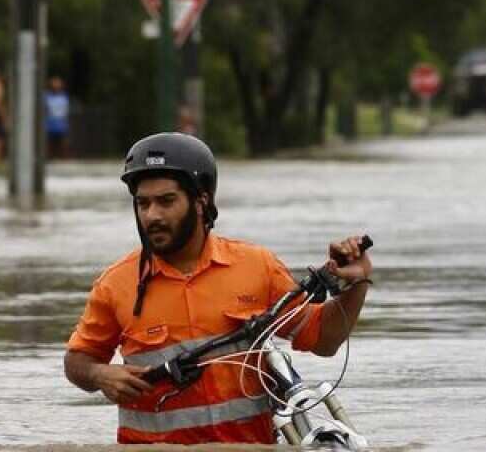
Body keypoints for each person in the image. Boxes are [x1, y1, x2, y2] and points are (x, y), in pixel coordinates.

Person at [63, 132, 372, 444]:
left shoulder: (257, 266)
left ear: (201, 201)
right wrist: (99, 375)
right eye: (143, 204)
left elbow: (324, 339)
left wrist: (356, 284)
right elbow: (77, 361)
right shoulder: (115, 284)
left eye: (166, 201)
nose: (152, 215)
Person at [45, 76, 70, 158]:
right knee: (49, 143)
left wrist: (66, 122)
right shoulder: (46, 97)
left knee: (63, 143)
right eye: (54, 84)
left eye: (58, 84)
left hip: (61, 123)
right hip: (50, 123)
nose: (56, 86)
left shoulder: (64, 97)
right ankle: (48, 158)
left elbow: (65, 111)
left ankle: (63, 159)